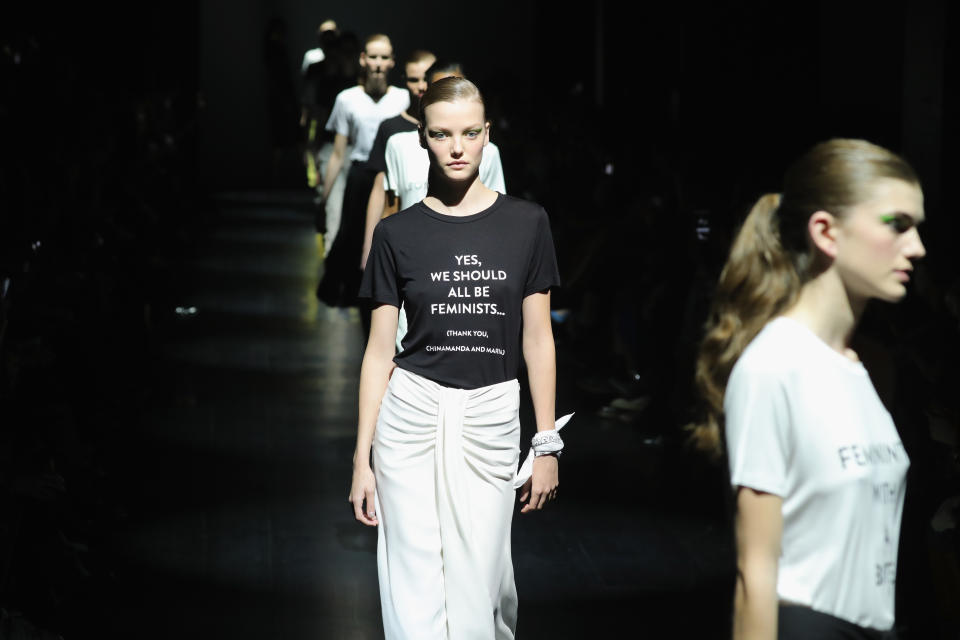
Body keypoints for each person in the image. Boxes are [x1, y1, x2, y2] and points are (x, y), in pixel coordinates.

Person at [351, 77, 565, 639]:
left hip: (492, 414)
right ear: (421, 137)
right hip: (411, 414)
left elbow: (537, 338)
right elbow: (379, 352)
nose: (456, 147)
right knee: (412, 580)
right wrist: (360, 460)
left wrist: (545, 442)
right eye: (442, 134)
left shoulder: (527, 223)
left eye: (470, 133)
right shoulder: (397, 234)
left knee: (485, 585)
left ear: (487, 136)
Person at [689, 139, 926, 639]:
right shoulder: (773, 369)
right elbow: (755, 575)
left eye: (917, 227)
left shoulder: (863, 369)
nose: (917, 247)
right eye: (896, 224)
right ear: (825, 231)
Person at [316, 34, 408, 315]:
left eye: (384, 57)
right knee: (350, 235)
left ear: (392, 61)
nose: (378, 64)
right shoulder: (348, 99)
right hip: (360, 175)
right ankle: (353, 294)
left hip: (392, 177)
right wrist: (323, 196)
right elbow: (338, 152)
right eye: (373, 57)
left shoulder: (403, 99)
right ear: (363, 59)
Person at [359, 49, 437, 270]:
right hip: (406, 234)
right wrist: (368, 248)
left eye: (427, 79)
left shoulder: (451, 128)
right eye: (414, 79)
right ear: (404, 81)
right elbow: (380, 188)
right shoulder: (391, 129)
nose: (421, 86)